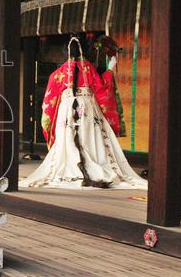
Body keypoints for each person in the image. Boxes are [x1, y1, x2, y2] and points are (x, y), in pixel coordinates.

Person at [21, 36, 146, 190]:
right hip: (87, 108)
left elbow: (48, 102)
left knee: (67, 138)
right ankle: (92, 166)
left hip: (66, 110)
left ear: (65, 52)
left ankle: (69, 166)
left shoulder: (58, 73)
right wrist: (109, 69)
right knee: (90, 138)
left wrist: (50, 119)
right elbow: (102, 89)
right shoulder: (88, 68)